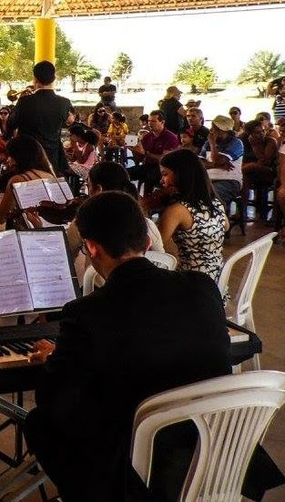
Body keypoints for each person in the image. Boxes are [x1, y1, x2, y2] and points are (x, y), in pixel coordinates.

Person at [24, 191, 231, 502]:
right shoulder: (202, 287)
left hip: (137, 464)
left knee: (41, 422)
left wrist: (57, 361)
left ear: (92, 248)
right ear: (147, 243)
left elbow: (56, 401)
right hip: (213, 445)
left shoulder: (86, 313)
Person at [157, 148, 228, 282]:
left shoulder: (177, 211)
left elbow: (155, 244)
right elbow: (226, 227)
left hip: (191, 285)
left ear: (181, 175)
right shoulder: (215, 203)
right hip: (217, 282)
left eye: (165, 174)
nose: (162, 181)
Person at [5, 61, 74, 174]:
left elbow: (11, 124)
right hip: (53, 157)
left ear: (35, 78)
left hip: (28, 158)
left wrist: (18, 104)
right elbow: (68, 122)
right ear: (53, 78)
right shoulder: (64, 103)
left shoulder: (24, 101)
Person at [0, 134, 54, 227]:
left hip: (24, 231)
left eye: (11, 156)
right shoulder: (49, 175)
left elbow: (0, 217)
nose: (9, 160)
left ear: (19, 157)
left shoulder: (18, 180)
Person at [128, 110, 179, 193]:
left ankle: (147, 202)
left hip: (162, 169)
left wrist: (145, 153)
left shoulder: (170, 138)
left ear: (162, 122)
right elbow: (140, 158)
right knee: (124, 174)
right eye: (149, 121)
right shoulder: (148, 136)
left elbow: (165, 160)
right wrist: (134, 150)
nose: (150, 123)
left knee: (150, 178)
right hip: (147, 166)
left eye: (153, 121)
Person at [200, 114, 244, 206]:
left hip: (229, 181)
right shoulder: (207, 144)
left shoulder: (235, 143)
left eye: (215, 129)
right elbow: (199, 163)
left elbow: (218, 160)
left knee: (211, 196)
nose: (212, 131)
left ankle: (218, 218)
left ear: (224, 131)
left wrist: (212, 144)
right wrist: (215, 165)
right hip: (207, 180)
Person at [241, 119, 278, 216]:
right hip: (249, 172)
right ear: (249, 133)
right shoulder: (242, 141)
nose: (261, 134)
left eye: (263, 131)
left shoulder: (270, 141)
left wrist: (255, 145)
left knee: (248, 169)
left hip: (269, 171)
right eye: (257, 132)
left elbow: (263, 161)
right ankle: (242, 210)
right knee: (245, 176)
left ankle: (242, 210)